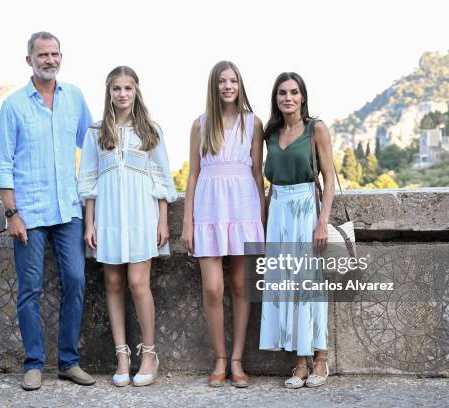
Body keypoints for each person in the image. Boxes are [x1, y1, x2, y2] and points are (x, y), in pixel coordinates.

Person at [0, 31, 95, 391]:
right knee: (30, 290)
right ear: (29, 61)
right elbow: (3, 165)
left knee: (76, 280)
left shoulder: (75, 98)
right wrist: (11, 213)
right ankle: (34, 363)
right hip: (30, 215)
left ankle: (68, 362)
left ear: (60, 58)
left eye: (55, 54)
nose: (50, 60)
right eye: (43, 55)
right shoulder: (14, 105)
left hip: (69, 210)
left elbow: (95, 144)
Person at [78, 66, 177, 387]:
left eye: (128, 88)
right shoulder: (96, 132)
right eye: (116, 88)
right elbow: (89, 179)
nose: (122, 94)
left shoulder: (150, 130)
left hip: (141, 216)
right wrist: (89, 224)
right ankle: (122, 356)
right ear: (108, 93)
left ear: (136, 92)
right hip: (108, 217)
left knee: (138, 283)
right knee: (113, 283)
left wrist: (163, 219)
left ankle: (149, 353)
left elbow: (162, 177)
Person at [181, 61, 265, 388]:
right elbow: (192, 175)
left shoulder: (252, 123)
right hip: (209, 208)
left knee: (242, 286)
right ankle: (219, 357)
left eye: (233, 81)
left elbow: (258, 174)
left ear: (240, 85)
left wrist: (262, 219)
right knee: (213, 287)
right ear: (213, 87)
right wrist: (187, 222)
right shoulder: (200, 125)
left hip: (243, 206)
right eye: (222, 81)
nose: (228, 86)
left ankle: (237, 360)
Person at [259, 72, 335, 388]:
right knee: (284, 284)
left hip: (306, 209)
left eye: (293, 92)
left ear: (302, 96)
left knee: (309, 284)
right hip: (278, 209)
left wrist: (322, 222)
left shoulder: (316, 128)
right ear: (275, 99)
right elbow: (268, 182)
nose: (288, 98)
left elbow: (329, 177)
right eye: (281, 93)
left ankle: (321, 359)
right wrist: (263, 223)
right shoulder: (271, 133)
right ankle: (300, 363)